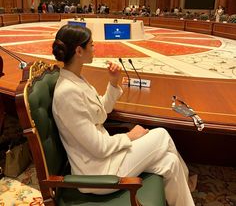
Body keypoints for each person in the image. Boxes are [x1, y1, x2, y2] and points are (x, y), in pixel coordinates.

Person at [52, 24, 196, 206]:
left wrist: (113, 83)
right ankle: (189, 183)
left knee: (170, 162)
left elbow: (101, 113)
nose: (95, 48)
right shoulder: (67, 93)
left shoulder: (77, 79)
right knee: (161, 135)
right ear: (79, 51)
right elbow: (98, 147)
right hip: (96, 171)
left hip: (105, 159)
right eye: (92, 45)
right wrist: (130, 136)